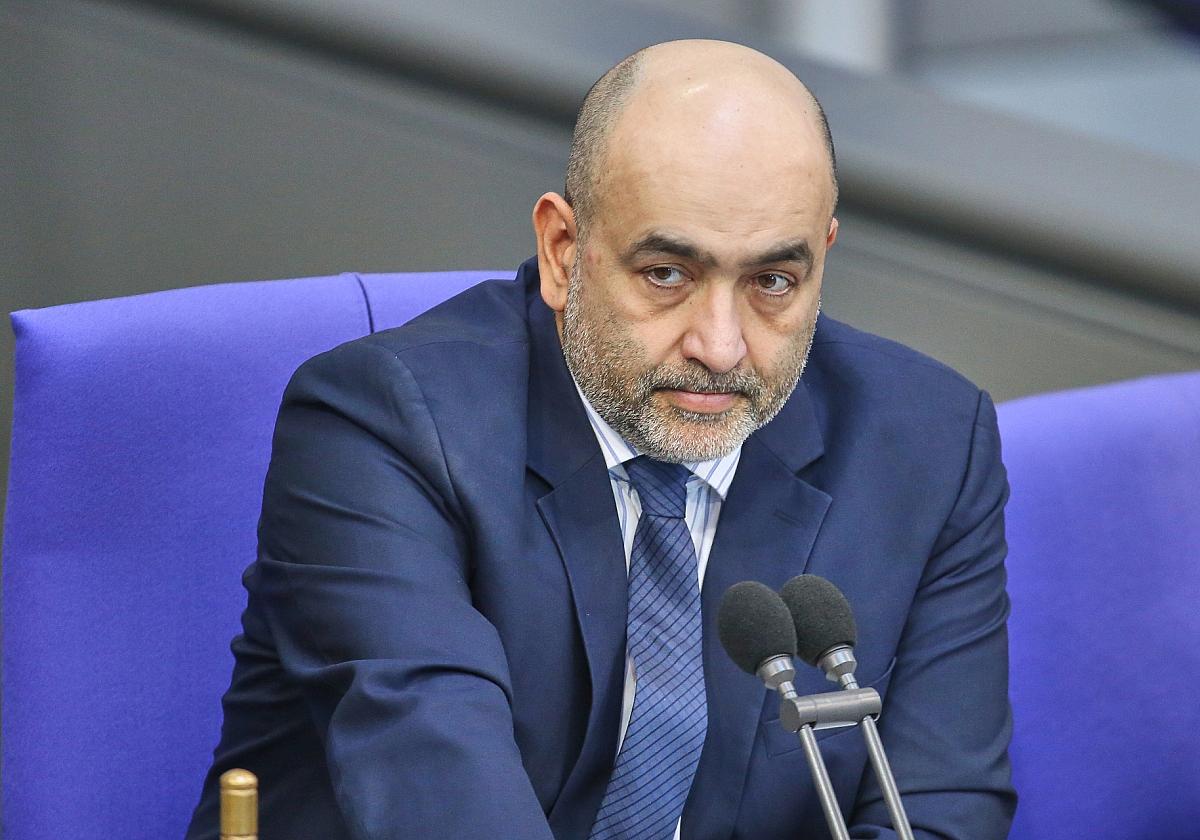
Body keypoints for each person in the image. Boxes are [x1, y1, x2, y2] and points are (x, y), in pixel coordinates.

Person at [187, 39, 1015, 840]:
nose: (721, 346)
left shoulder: (929, 444)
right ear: (562, 250)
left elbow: (941, 810)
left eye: (772, 281)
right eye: (667, 274)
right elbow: (444, 800)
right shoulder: (383, 425)